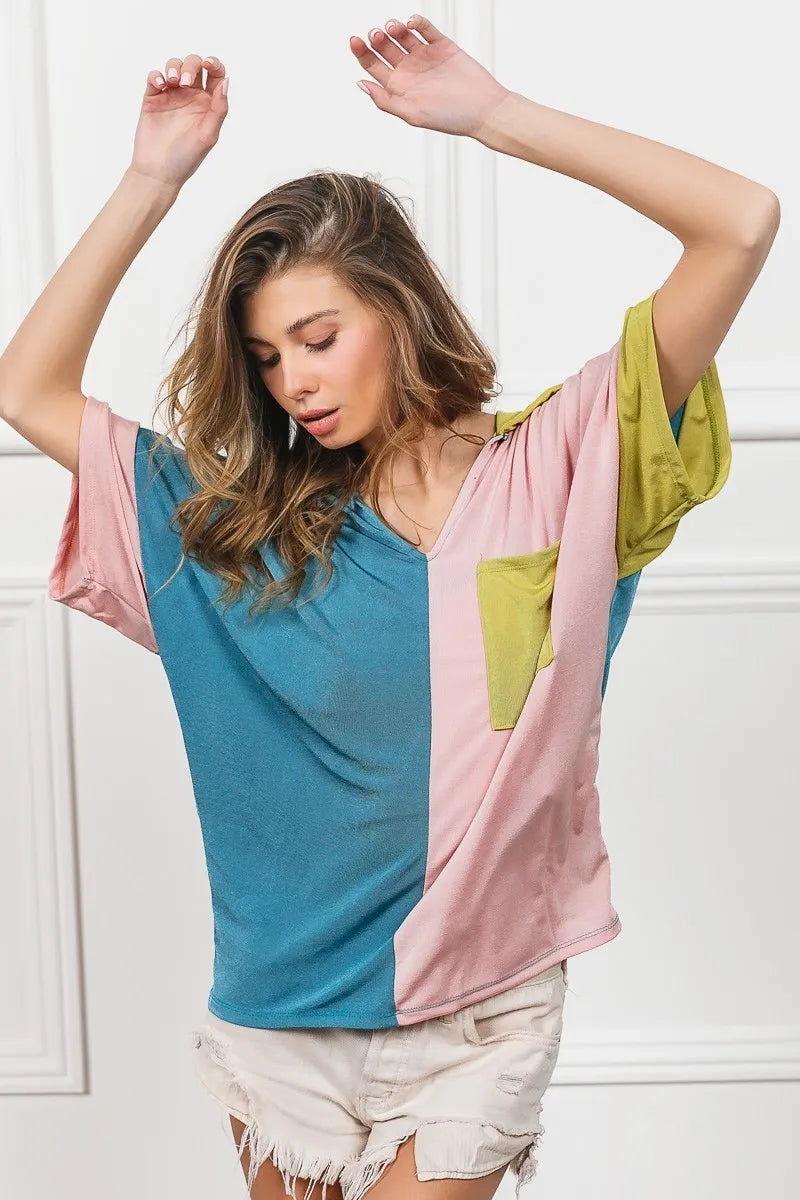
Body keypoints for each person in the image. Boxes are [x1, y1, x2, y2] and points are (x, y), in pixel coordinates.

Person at [0, 13, 779, 1200]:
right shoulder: (233, 524)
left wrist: (494, 117)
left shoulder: (561, 470)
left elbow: (739, 222)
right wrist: (151, 178)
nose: (293, 382)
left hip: (478, 1011)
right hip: (280, 1019)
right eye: (267, 357)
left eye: (317, 338)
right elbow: (28, 389)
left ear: (397, 310)